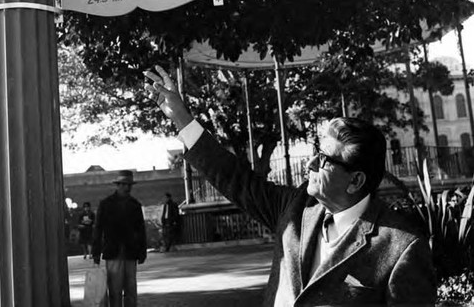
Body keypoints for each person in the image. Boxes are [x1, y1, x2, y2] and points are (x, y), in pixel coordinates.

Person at [144, 65, 437, 306]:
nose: (310, 165)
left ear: (356, 180)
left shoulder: (401, 247)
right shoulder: (295, 209)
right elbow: (234, 177)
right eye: (315, 152)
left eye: (323, 160)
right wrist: (182, 119)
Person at [92, 170, 147, 307]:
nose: (127, 187)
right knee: (114, 290)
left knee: (131, 289)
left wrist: (142, 251)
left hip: (130, 251)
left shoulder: (135, 205)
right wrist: (96, 252)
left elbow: (141, 230)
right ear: (117, 185)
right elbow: (98, 229)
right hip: (113, 251)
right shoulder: (105, 204)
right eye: (123, 184)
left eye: (129, 185)